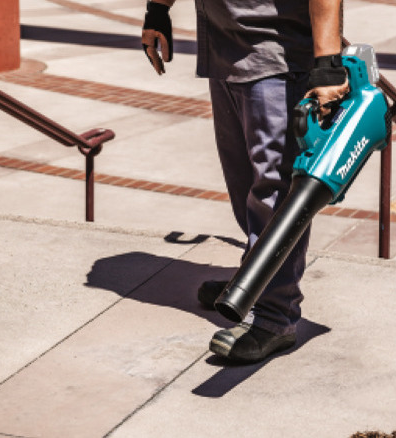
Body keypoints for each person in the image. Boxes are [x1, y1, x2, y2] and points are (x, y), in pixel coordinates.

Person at [141, 0, 349, 363]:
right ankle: (254, 280)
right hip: (224, 47)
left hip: (276, 53)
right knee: (244, 184)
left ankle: (274, 316)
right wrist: (157, 9)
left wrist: (328, 63)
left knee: (275, 192)